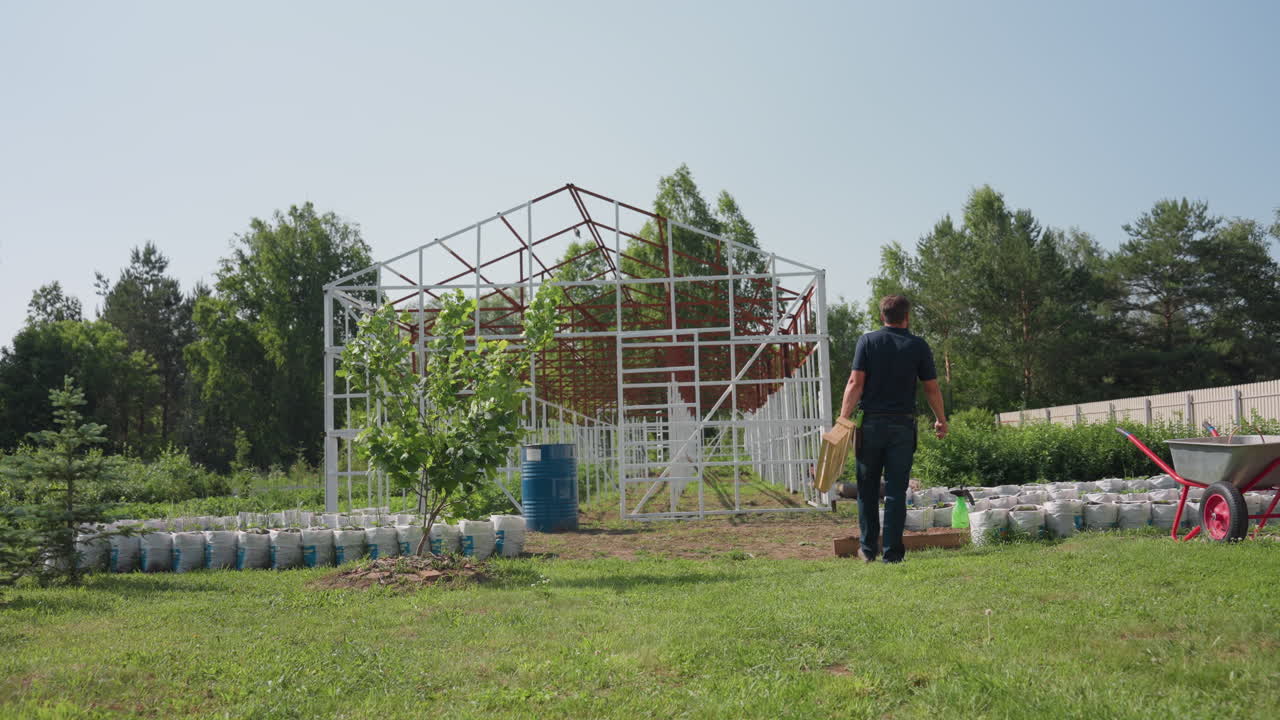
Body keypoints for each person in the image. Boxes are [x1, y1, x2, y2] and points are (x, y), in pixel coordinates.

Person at [837, 294, 948, 564]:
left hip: (871, 425)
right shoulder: (918, 346)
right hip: (902, 425)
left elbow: (855, 383)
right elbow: (931, 387)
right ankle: (893, 554)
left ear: (882, 316)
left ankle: (867, 549)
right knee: (897, 491)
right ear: (907, 317)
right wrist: (940, 419)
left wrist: (843, 418)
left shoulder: (868, 341)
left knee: (867, 488)